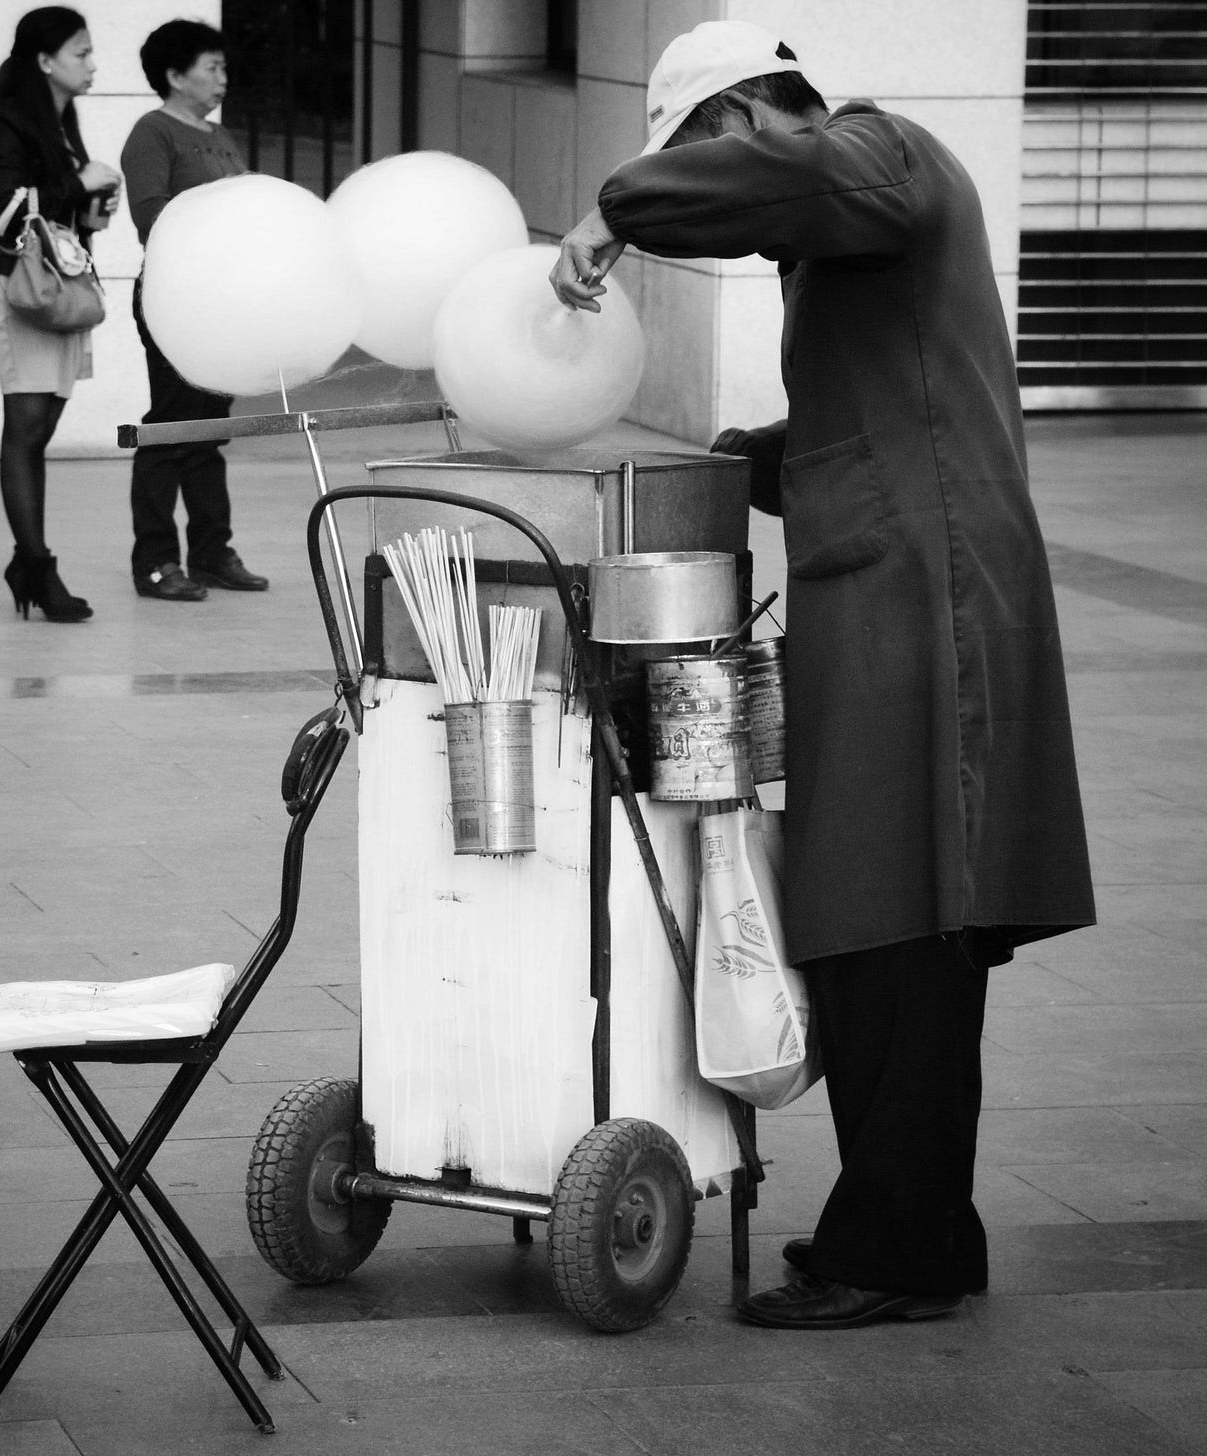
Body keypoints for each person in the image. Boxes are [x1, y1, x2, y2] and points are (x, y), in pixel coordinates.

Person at [552, 21, 1096, 1329]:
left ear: (747, 116)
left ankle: (898, 1251)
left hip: (929, 593)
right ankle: (909, 1233)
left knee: (901, 920)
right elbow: (879, 404)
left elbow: (773, 184)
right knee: (867, 919)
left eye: (696, 153)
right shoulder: (845, 221)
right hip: (893, 585)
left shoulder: (882, 155)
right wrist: (736, 460)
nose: (716, 203)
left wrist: (615, 214)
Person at [0, 6, 121, 622]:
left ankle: (29, 563)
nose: (91, 64)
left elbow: (59, 210)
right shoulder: (6, 127)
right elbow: (3, 219)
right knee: (25, 431)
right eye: (81, 53)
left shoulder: (61, 121)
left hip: (56, 295)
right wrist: (78, 184)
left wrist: (91, 206)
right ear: (45, 60)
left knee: (38, 431)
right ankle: (34, 565)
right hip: (22, 297)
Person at [120, 19, 268, 602]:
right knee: (171, 427)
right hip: (173, 299)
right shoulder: (151, 133)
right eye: (212, 67)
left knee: (209, 430)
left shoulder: (218, 134)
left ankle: (211, 552)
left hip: (220, 304)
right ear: (175, 74)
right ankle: (155, 560)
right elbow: (151, 217)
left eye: (223, 67)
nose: (222, 78)